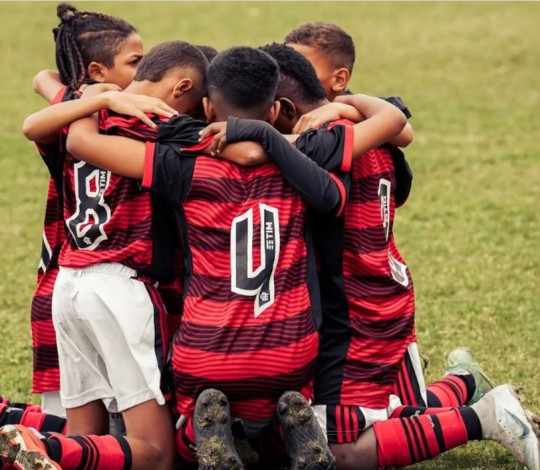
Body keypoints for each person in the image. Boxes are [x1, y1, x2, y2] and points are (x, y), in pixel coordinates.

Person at [202, 42, 540, 470]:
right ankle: (464, 382)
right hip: (387, 292)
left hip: (358, 314)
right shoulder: (371, 134)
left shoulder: (324, 146)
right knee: (392, 410)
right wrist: (347, 107)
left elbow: (262, 155)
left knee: (336, 451)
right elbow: (400, 149)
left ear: (282, 109)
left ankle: (486, 418)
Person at [6, 40, 214, 470]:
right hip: (122, 290)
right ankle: (37, 443)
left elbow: (36, 118)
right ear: (182, 88)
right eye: (195, 105)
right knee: (156, 453)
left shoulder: (81, 115)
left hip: (69, 285)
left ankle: (41, 445)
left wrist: (94, 97)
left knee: (91, 436)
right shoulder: (165, 129)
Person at [27, 2, 144, 418]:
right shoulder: (134, 124)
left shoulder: (70, 113)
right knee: (133, 436)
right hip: (102, 280)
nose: (143, 72)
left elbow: (47, 85)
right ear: (97, 71)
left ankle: (14, 426)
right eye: (135, 62)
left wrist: (73, 93)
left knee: (74, 429)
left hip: (62, 285)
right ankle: (15, 429)